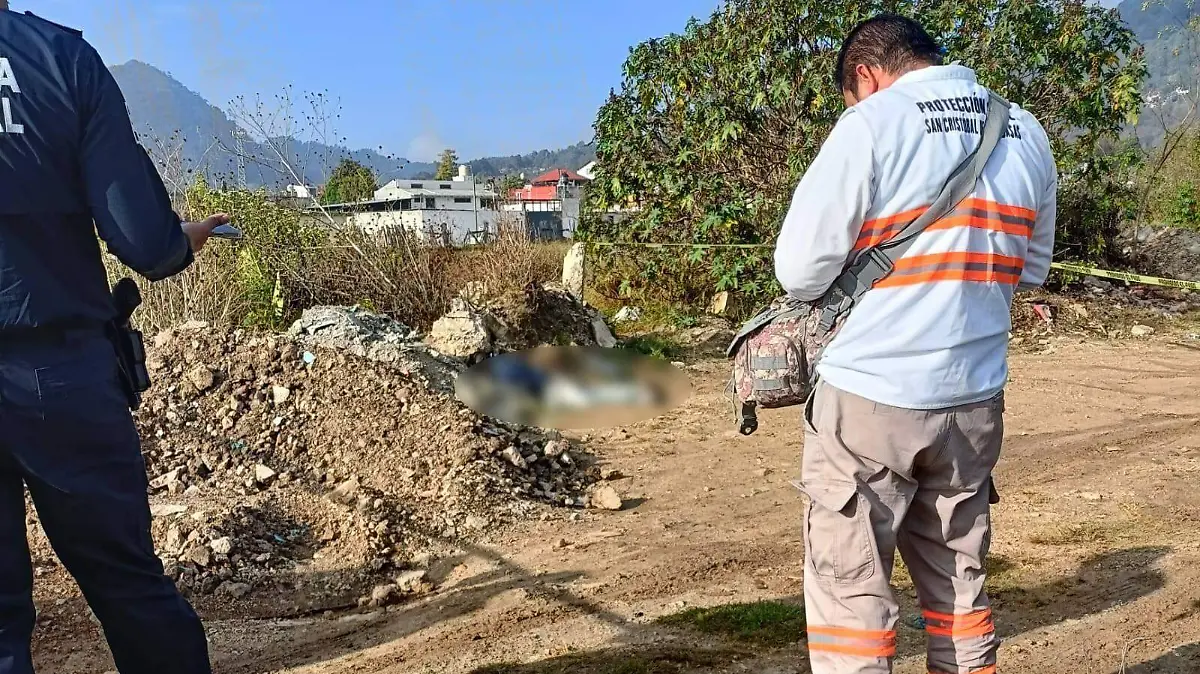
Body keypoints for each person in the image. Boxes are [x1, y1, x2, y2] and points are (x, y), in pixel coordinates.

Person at [773, 14, 1056, 674]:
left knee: (853, 596)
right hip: (974, 400)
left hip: (871, 394)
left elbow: (799, 270)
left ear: (866, 75)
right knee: (959, 587)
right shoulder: (1024, 130)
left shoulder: (872, 124)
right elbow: (1031, 270)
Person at [0, 5, 227, 673]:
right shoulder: (59, 59)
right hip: (60, 376)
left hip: (56, 366)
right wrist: (180, 241)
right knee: (128, 587)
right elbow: (144, 243)